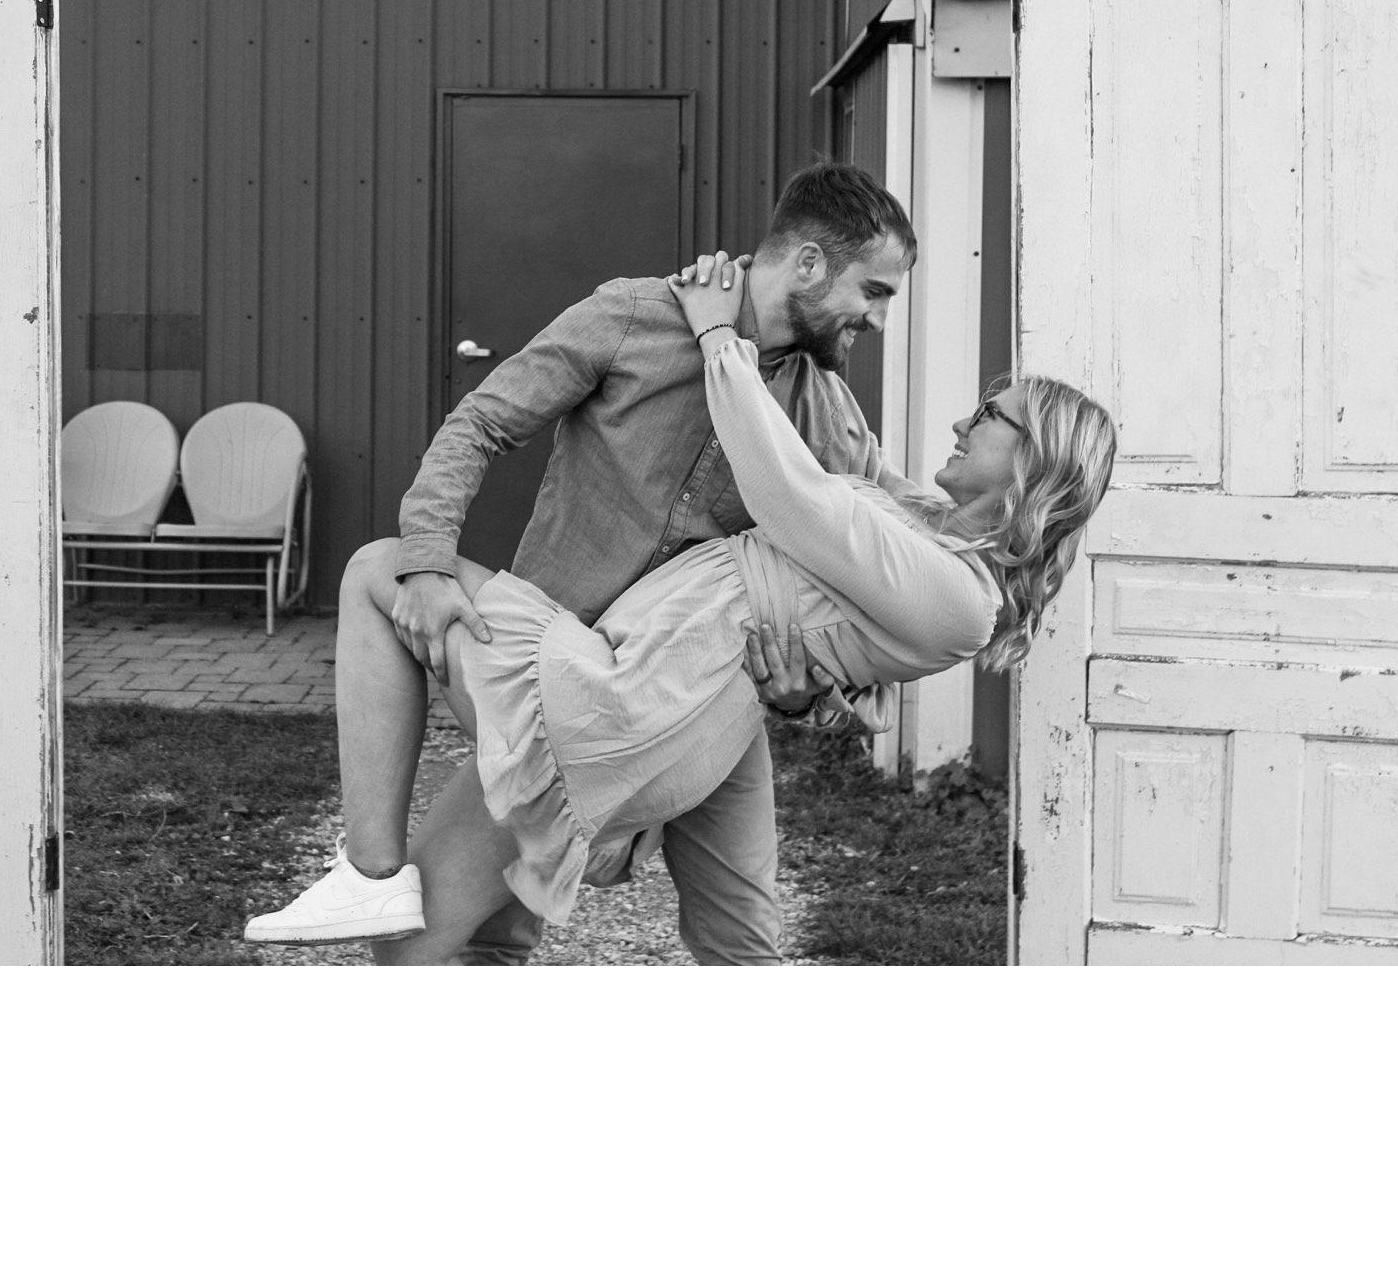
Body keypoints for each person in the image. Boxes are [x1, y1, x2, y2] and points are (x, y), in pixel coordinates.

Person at [244, 250, 1118, 961]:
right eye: (875, 292)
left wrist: (714, 335)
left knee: (376, 570)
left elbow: (795, 497)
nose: (964, 422)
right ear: (808, 264)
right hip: (671, 680)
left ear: (1036, 461)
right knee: (717, 945)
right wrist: (812, 692)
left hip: (646, 696)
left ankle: (369, 871)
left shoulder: (964, 600)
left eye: (990, 415)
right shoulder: (920, 521)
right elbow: (859, 540)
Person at [393, 160, 915, 966]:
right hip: (554, 678)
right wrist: (428, 561)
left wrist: (811, 693)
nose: (878, 318)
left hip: (710, 702)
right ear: (809, 263)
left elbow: (875, 564)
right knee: (478, 934)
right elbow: (480, 424)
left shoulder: (823, 409)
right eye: (874, 291)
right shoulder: (634, 316)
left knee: (745, 950)